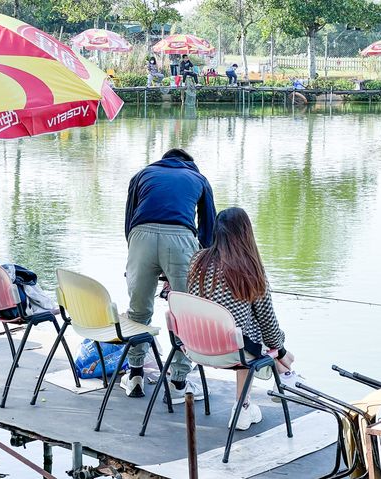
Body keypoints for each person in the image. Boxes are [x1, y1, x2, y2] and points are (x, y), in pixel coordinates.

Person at [187, 207, 300, 431]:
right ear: (246, 233)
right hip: (232, 351)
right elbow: (268, 322)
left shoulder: (198, 260)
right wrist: (283, 350)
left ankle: (282, 376)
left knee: (243, 332)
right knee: (251, 335)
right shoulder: (250, 269)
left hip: (194, 346)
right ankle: (264, 390)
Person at [123, 148, 217, 401]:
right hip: (181, 238)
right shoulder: (199, 179)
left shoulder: (143, 174)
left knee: (138, 310)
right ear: (189, 164)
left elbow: (129, 219)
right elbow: (209, 228)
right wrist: (198, 263)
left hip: (140, 237)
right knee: (183, 312)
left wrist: (137, 257)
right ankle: (177, 383)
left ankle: (135, 375)